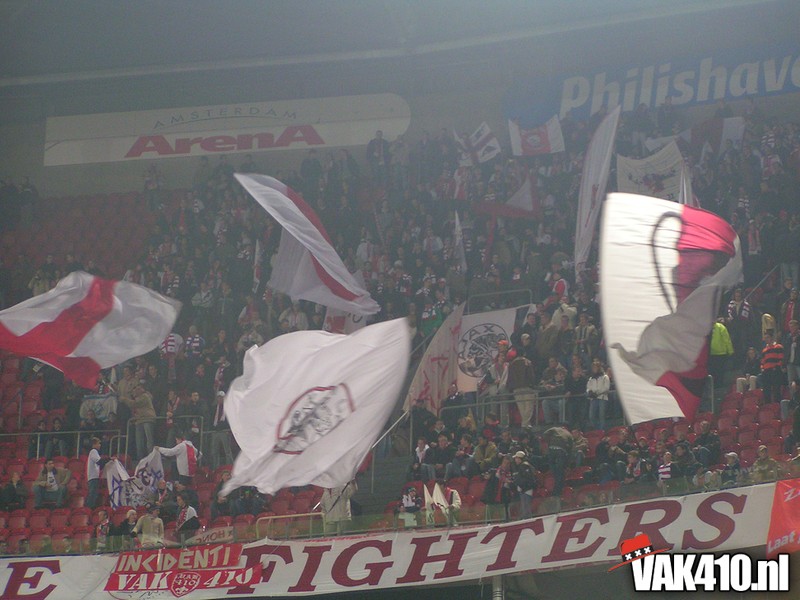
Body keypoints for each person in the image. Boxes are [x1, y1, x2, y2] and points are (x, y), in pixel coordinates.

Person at [586, 359, 611, 431]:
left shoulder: (605, 377)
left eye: (595, 367)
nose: (594, 369)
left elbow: (606, 388)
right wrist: (589, 392)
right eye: (593, 367)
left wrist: (597, 393)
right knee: (591, 416)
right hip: (593, 399)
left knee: (601, 415)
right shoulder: (591, 378)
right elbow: (588, 387)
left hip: (602, 398)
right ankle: (595, 430)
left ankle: (602, 430)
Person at [760, 332, 784, 404]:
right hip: (766, 371)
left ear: (771, 338)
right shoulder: (764, 350)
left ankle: (777, 404)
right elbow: (762, 361)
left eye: (767, 337)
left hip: (775, 371)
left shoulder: (778, 347)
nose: (766, 339)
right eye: (765, 338)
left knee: (776, 388)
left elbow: (781, 358)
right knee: (766, 389)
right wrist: (762, 368)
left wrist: (776, 366)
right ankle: (768, 405)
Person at [512, 451, 536, 520]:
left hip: (526, 490)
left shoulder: (524, 466)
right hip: (524, 489)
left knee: (526, 508)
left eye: (516, 458)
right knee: (525, 507)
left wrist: (522, 486)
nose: (515, 460)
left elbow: (528, 479)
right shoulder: (523, 466)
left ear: (520, 458)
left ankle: (528, 520)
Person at [86, 437, 107, 509]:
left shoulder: (94, 452)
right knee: (92, 494)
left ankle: (90, 508)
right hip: (93, 477)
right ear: (94, 444)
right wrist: (109, 459)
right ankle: (88, 509)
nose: (99, 445)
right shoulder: (93, 451)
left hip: (94, 477)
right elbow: (99, 462)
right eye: (98, 443)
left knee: (94, 494)